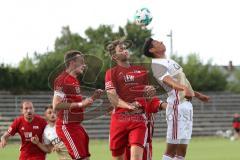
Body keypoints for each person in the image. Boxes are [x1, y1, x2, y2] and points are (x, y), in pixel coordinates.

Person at [143, 38, 210, 160]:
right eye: (157, 42)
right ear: (152, 49)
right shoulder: (157, 64)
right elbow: (169, 81)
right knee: (171, 150)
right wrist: (184, 88)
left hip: (186, 106)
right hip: (177, 107)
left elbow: (181, 83)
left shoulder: (168, 61)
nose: (161, 41)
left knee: (182, 151)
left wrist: (199, 96)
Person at [105, 39, 166, 160]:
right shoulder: (111, 73)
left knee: (136, 157)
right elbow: (112, 98)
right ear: (114, 56)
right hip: (119, 119)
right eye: (121, 49)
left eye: (125, 48)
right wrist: (128, 106)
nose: (125, 50)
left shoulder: (142, 71)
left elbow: (148, 97)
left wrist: (150, 91)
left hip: (138, 119)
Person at [52, 50, 103, 160]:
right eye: (81, 61)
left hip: (76, 126)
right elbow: (56, 105)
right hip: (67, 126)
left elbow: (78, 106)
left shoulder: (74, 80)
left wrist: (93, 98)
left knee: (85, 157)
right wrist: (81, 103)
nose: (84, 65)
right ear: (72, 62)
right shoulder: (62, 79)